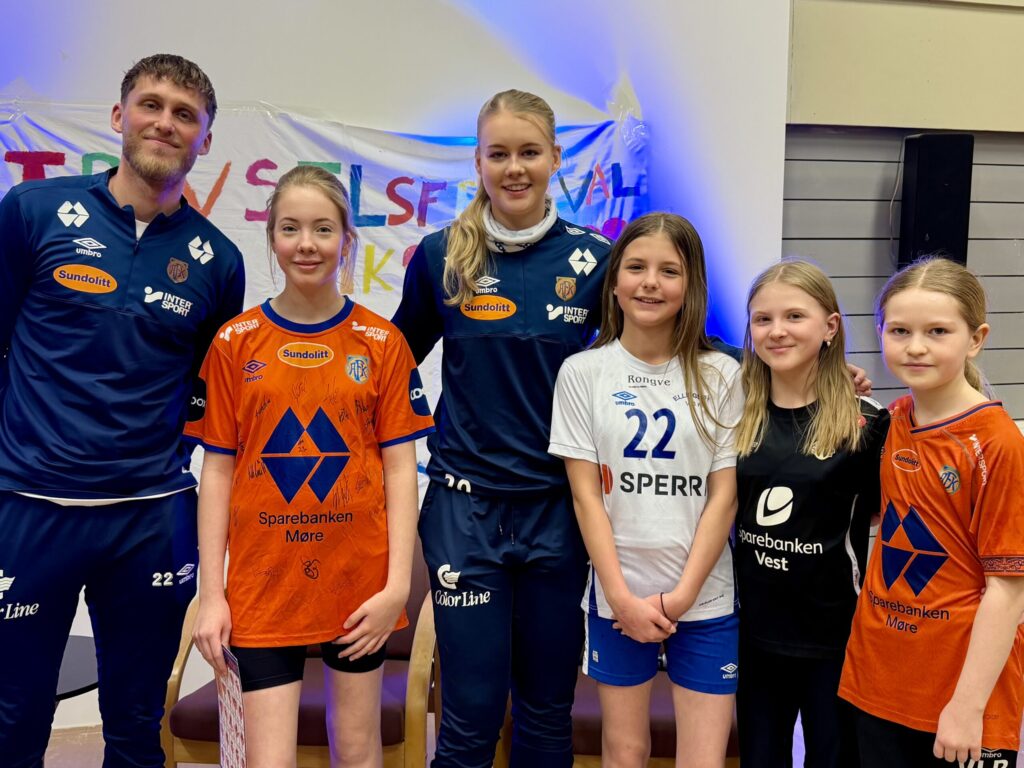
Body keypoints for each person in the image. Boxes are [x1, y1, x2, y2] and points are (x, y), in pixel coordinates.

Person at [0, 54, 244, 767]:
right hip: (29, 508)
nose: (165, 123)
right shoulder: (31, 211)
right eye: (151, 104)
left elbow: (204, 393)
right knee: (12, 719)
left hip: (150, 519)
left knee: (137, 726)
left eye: (185, 115)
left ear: (204, 139)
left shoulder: (218, 260)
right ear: (119, 116)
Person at [391, 89, 615, 768]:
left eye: (529, 152)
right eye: (498, 154)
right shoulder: (441, 256)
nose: (514, 168)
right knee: (470, 720)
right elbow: (391, 362)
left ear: (555, 158)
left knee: (547, 716)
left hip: (558, 511)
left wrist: (790, 374)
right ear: (478, 163)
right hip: (465, 513)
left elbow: (663, 350)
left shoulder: (595, 259)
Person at [188, 165, 433, 766]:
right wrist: (211, 594)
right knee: (268, 758)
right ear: (271, 237)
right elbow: (216, 472)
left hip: (358, 585)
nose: (307, 244)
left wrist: (396, 587)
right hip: (262, 586)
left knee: (357, 749)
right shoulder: (234, 343)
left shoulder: (382, 343)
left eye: (324, 229)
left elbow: (401, 472)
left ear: (347, 240)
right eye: (291, 228)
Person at [549, 212, 744, 768]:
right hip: (618, 598)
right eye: (636, 267)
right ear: (613, 282)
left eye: (669, 271)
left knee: (703, 758)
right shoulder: (582, 372)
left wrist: (680, 598)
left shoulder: (723, 374)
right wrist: (620, 598)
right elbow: (586, 497)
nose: (650, 283)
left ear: (691, 284)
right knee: (625, 750)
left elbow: (724, 497)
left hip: (706, 597)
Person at [839, 257, 1024, 767]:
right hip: (876, 682)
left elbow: (1008, 590)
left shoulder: (998, 444)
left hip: (960, 701)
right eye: (900, 331)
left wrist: (967, 707)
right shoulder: (892, 420)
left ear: (976, 339)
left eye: (937, 331)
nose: (916, 346)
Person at [731, 260, 889, 768]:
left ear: (830, 326)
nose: (777, 331)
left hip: (835, 638)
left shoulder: (869, 423)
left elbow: (874, 515)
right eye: (763, 319)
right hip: (754, 634)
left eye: (794, 316)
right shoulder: (736, 412)